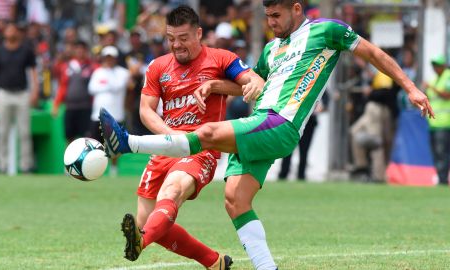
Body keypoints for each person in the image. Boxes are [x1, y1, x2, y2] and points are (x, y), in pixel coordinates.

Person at [100, 1, 434, 269]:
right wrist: (217, 85)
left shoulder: (326, 31)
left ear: (297, 9)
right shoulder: (272, 50)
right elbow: (251, 84)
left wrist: (411, 87)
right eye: (267, 16)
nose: (271, 22)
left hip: (281, 122)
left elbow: (373, 53)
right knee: (234, 200)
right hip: (260, 121)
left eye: (277, 15)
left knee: (208, 132)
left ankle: (129, 143)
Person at [117, 6, 263, 270]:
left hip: (201, 148)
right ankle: (214, 262)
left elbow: (254, 84)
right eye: (171, 38)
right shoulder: (158, 66)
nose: (176, 45)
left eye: (183, 38)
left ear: (198, 33)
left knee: (171, 192)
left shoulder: (221, 59)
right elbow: (145, 111)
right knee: (147, 221)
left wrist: (216, 85)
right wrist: (172, 137)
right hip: (166, 147)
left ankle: (140, 243)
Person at [0, 23, 39, 174]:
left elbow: (33, 72)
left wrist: (35, 91)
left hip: (22, 94)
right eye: (8, 29)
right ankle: (2, 165)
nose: (11, 32)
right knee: (2, 131)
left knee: (25, 132)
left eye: (14, 30)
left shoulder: (26, 51)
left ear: (18, 33)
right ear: (4, 33)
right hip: (3, 93)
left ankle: (25, 166)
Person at [88, 45, 131, 176]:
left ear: (115, 59)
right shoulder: (98, 72)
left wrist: (105, 81)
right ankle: (94, 169)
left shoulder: (123, 72)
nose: (109, 60)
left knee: (115, 145)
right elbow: (92, 89)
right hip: (97, 114)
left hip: (116, 114)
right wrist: (106, 82)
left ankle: (113, 170)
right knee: (96, 144)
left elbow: (117, 86)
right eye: (107, 58)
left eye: (111, 58)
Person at [52, 40, 96, 143]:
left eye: (82, 49)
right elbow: (62, 86)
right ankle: (70, 159)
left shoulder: (91, 67)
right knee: (69, 137)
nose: (80, 51)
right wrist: (56, 105)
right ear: (74, 51)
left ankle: (86, 159)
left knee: (86, 137)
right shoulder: (66, 66)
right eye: (77, 48)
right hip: (70, 107)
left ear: (86, 51)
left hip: (85, 107)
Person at [423, 54, 450, 185]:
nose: (435, 68)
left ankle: (443, 179)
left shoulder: (448, 76)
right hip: (433, 123)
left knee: (442, 153)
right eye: (433, 65)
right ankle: (441, 177)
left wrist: (431, 88)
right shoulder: (433, 79)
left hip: (445, 123)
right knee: (436, 153)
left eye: (437, 65)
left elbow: (447, 95)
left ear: (444, 66)